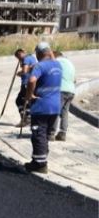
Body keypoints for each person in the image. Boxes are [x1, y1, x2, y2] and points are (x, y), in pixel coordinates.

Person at [23, 42, 62, 174]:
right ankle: (39, 160)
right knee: (45, 135)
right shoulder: (58, 65)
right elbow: (50, 60)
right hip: (55, 106)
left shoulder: (40, 66)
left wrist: (29, 95)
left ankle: (40, 165)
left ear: (38, 53)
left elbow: (32, 80)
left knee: (38, 134)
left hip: (41, 106)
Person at [53, 50, 76, 141]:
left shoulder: (57, 62)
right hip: (71, 91)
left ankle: (51, 133)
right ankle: (63, 133)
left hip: (61, 90)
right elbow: (74, 80)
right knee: (65, 112)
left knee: (55, 111)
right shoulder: (70, 63)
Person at [13, 48, 38, 127]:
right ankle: (27, 117)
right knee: (25, 100)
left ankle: (26, 118)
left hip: (26, 83)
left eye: (18, 56)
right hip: (33, 82)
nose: (18, 58)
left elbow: (24, 71)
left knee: (19, 101)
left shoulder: (26, 59)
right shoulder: (32, 58)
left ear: (21, 53)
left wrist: (18, 73)